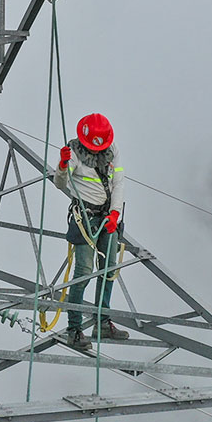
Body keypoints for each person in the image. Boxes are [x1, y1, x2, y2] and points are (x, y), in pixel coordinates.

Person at [52, 112, 129, 350]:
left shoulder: (111, 149)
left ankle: (101, 321)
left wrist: (115, 213)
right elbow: (60, 183)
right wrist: (63, 165)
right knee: (84, 270)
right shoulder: (74, 151)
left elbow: (118, 181)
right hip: (84, 217)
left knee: (109, 269)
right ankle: (74, 329)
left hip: (107, 216)